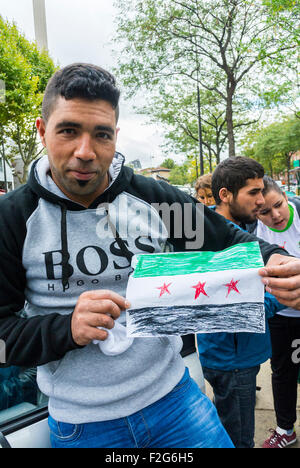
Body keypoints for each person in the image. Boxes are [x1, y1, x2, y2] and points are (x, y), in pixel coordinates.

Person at [0, 64, 300, 449]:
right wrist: (66, 329)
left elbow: (228, 240)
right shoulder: (12, 218)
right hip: (84, 426)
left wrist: (275, 259)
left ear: (115, 137)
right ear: (43, 131)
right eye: (69, 131)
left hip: (175, 401)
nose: (85, 152)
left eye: (102, 135)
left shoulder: (153, 198)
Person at [196, 157, 286, 448]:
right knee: (239, 439)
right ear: (225, 195)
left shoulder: (244, 226)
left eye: (262, 191)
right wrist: (281, 294)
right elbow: (230, 304)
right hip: (232, 359)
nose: (261, 201)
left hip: (239, 354)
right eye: (253, 193)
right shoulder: (207, 238)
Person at [254, 176, 300, 448]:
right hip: (281, 316)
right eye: (264, 212)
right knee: (283, 372)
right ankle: (285, 430)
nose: (275, 215)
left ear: (285, 196)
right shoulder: (252, 230)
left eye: (278, 205)